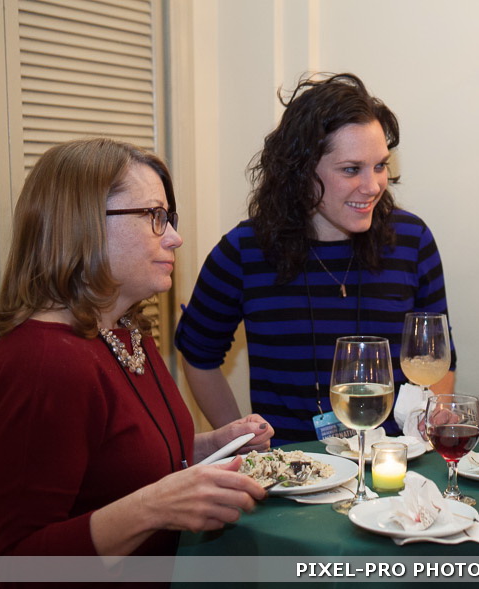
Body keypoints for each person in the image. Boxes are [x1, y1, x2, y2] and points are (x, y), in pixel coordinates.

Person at [0, 137, 274, 589]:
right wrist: (155, 507)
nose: (174, 237)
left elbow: (114, 464)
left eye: (169, 218)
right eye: (155, 216)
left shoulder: (126, 331)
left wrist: (211, 445)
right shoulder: (43, 365)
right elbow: (20, 570)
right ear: (84, 225)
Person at [175, 73, 457, 445]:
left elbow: (438, 358)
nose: (372, 186)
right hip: (293, 470)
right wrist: (241, 441)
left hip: (392, 463)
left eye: (380, 166)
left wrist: (429, 420)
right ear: (301, 169)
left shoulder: (411, 239)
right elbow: (198, 354)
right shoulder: (244, 251)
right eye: (351, 169)